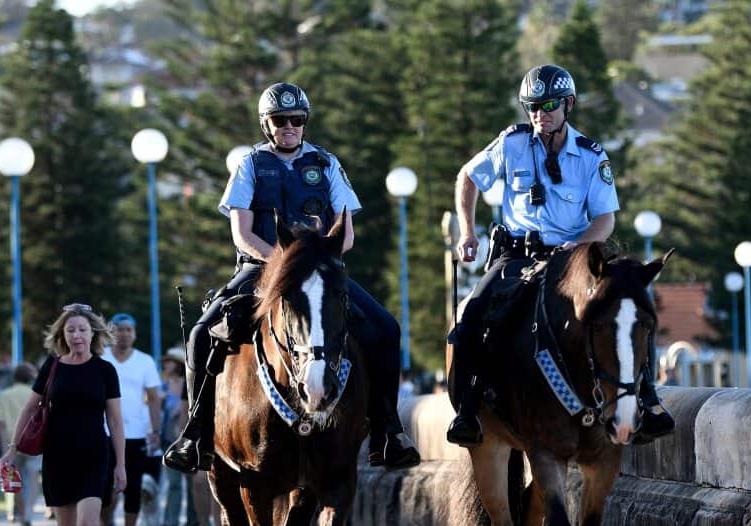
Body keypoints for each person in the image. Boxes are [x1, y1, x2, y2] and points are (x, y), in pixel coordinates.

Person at [163, 82, 420, 474]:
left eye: (296, 120)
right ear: (267, 125)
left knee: (385, 328)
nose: (289, 127)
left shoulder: (326, 163)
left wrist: (315, 260)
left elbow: (345, 231)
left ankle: (388, 429)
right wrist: (280, 263)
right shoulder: (250, 165)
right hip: (260, 269)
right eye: (280, 121)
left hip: (319, 269)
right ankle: (196, 432)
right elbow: (242, 232)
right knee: (202, 334)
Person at [446, 64, 675, 447]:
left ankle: (648, 398)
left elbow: (605, 219)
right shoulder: (512, 143)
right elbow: (468, 177)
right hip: (517, 256)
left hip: (575, 258)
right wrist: (468, 232)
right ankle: (468, 409)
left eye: (549, 105)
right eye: (532, 106)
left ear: (568, 104)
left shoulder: (590, 156)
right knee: (471, 316)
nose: (540, 114)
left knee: (631, 307)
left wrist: (581, 245)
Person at [0, 304, 125, 526]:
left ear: (92, 333)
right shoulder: (52, 366)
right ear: (62, 335)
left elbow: (115, 420)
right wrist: (11, 450)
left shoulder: (104, 370)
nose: (77, 335)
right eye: (70, 330)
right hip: (57, 458)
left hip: (95, 456)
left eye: (82, 329)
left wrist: (120, 464)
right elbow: (29, 409)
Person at [99, 314, 162, 526]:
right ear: (111, 332)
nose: (124, 334)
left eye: (128, 329)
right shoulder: (101, 357)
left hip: (135, 435)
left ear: (134, 334)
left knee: (133, 488)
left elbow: (154, 398)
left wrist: (155, 431)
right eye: (119, 329)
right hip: (103, 433)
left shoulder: (145, 361)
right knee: (104, 488)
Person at [0, 363, 43, 526]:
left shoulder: (5, 395)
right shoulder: (35, 393)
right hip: (33, 442)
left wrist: (2, 447)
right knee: (33, 479)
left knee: (16, 482)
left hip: (11, 443)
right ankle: (29, 514)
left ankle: (22, 518)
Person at [158, 348, 197, 526]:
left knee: (192, 485)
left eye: (171, 361)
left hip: (188, 439)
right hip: (168, 439)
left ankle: (193, 523)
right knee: (173, 484)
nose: (167, 364)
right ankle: (170, 523)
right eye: (166, 361)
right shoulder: (163, 386)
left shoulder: (189, 384)